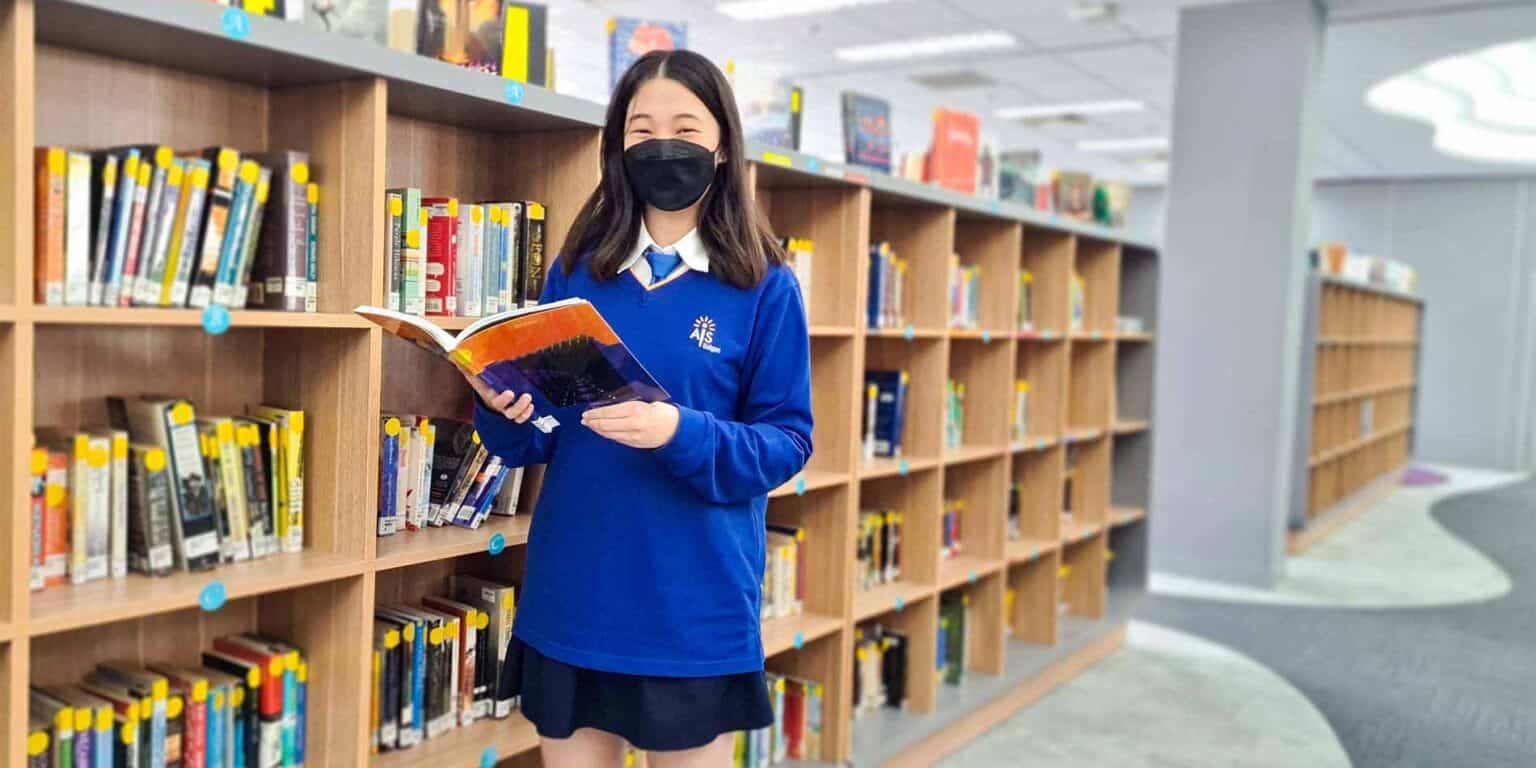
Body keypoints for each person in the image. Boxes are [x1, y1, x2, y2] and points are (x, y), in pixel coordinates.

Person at [462, 48, 813, 768]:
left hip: (693, 603)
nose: (664, 145)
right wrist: (500, 407)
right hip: (575, 588)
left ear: (722, 148)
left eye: (686, 128)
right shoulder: (579, 270)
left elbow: (785, 444)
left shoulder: (765, 286)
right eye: (642, 127)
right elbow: (537, 437)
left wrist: (678, 432)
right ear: (617, 145)